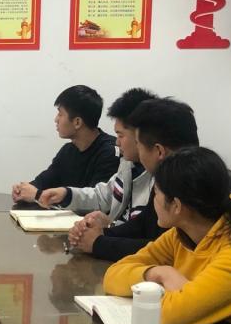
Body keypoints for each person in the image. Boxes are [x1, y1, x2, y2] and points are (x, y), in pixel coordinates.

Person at [103, 147, 231, 324]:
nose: (153, 201)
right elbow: (113, 276)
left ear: (176, 206)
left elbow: (174, 314)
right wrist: (158, 273)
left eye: (155, 194)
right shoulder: (182, 231)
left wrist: (161, 286)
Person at [71, 97, 198, 261]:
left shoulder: (190, 185)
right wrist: (99, 234)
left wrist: (98, 243)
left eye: (138, 143)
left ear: (159, 151)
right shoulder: (168, 177)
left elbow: (166, 250)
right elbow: (142, 224)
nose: (137, 149)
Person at [38, 87, 157, 223]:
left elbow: (142, 230)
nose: (117, 142)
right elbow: (103, 197)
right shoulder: (129, 165)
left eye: (121, 135)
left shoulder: (160, 183)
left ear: (141, 136)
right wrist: (66, 194)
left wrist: (109, 228)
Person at [12, 85, 118, 205]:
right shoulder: (68, 150)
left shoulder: (110, 152)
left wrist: (37, 195)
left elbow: (97, 202)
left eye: (60, 114)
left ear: (77, 122)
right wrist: (24, 190)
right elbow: (45, 180)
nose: (56, 119)